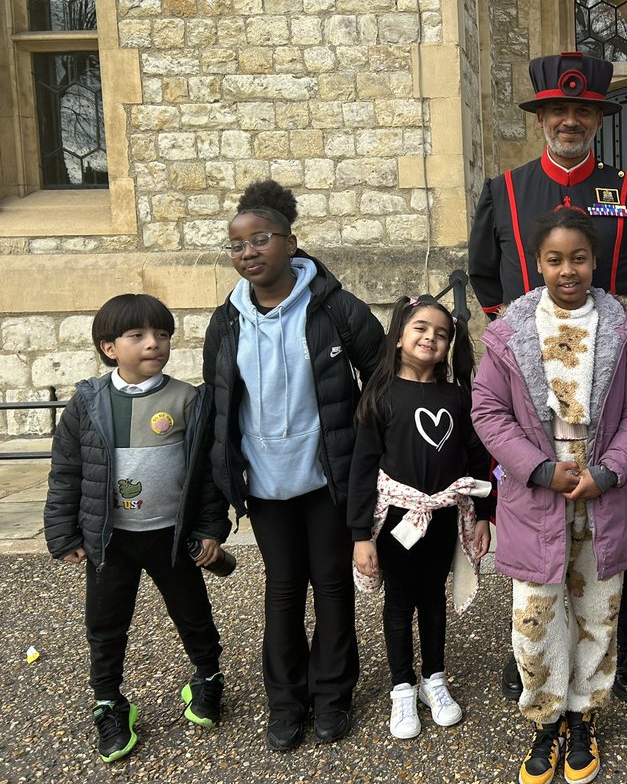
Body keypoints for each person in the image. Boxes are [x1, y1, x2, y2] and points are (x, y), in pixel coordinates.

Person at [468, 50, 627, 702]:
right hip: (531, 382)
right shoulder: (504, 190)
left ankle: (619, 643)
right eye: (559, 109)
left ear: (597, 117)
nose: (570, 119)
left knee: (611, 514)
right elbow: (484, 278)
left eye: (582, 109)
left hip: (609, 381)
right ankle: (532, 651)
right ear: (543, 114)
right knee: (532, 513)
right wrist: (521, 349)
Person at [472, 210, 627, 784]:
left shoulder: (623, 332)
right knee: (535, 619)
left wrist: (610, 470)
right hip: (538, 499)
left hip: (602, 494)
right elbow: (488, 411)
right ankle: (545, 718)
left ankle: (584, 716)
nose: (567, 269)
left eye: (578, 257)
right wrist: (537, 468)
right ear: (537, 262)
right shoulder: (508, 333)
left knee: (598, 617)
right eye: (555, 259)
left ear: (594, 260)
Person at [203, 180, 383, 751]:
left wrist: (372, 457)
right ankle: (286, 702)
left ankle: (332, 697)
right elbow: (219, 404)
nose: (248, 253)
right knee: (282, 590)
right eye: (236, 246)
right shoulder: (226, 321)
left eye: (260, 240)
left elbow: (382, 378)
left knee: (332, 586)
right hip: (266, 481)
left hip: (327, 476)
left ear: (291, 241)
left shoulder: (334, 306)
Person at [45, 294, 230, 763]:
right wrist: (64, 534)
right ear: (109, 348)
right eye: (139, 336)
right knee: (105, 626)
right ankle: (109, 703)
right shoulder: (87, 403)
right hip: (112, 541)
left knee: (193, 613)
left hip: (171, 536)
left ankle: (207, 679)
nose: (155, 343)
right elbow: (66, 470)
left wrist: (210, 529)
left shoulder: (187, 398)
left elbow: (207, 475)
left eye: (163, 334)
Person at [348, 295, 494, 741]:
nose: (431, 337)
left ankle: (434, 678)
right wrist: (360, 536)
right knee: (398, 603)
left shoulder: (457, 396)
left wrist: (484, 515)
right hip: (396, 518)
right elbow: (362, 468)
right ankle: (402, 687)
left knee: (432, 599)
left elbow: (476, 458)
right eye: (421, 328)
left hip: (445, 514)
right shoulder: (381, 396)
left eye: (442, 332)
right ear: (398, 338)